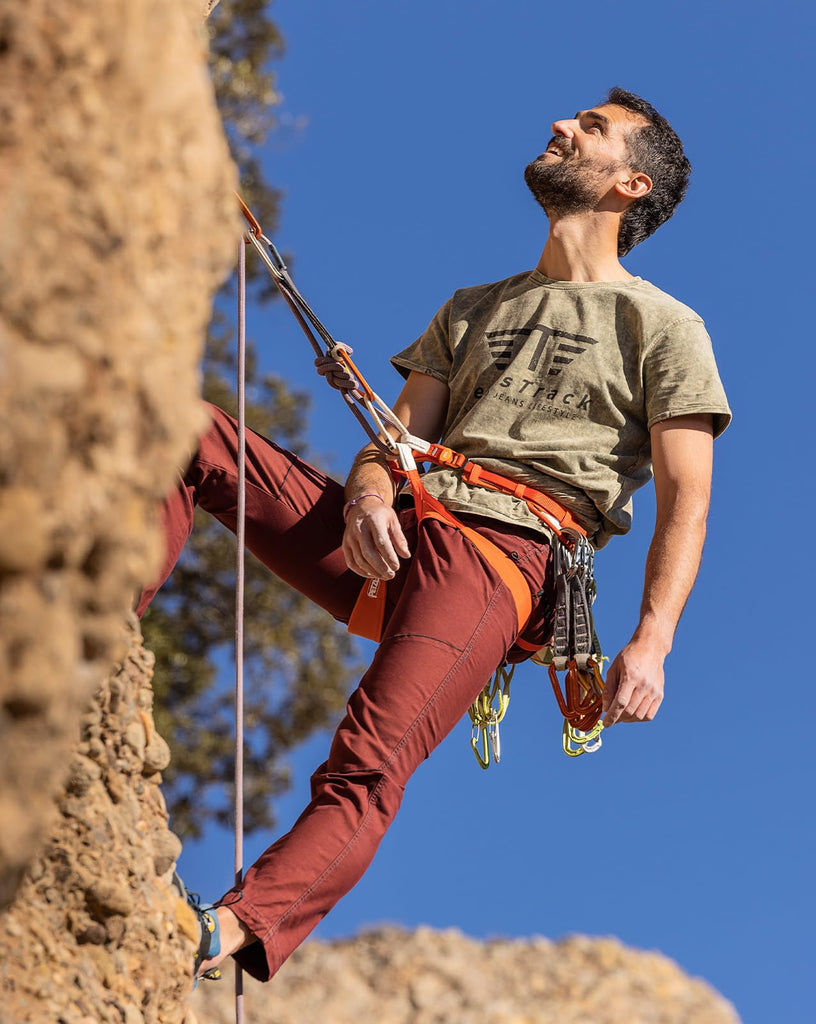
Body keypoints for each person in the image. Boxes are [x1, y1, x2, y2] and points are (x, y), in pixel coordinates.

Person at [142, 87, 731, 983]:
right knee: (189, 433)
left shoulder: (664, 326)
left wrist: (654, 639)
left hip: (502, 558)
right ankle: (97, 638)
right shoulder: (470, 307)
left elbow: (687, 497)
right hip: (399, 524)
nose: (562, 126)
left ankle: (222, 931)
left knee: (371, 754)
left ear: (631, 184)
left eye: (592, 129)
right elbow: (393, 440)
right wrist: (365, 499)